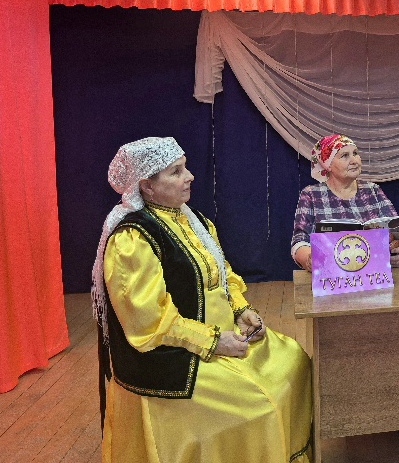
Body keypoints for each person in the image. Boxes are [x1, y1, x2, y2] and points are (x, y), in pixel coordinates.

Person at [92, 137, 312, 463]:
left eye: (186, 167)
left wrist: (241, 309)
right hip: (170, 354)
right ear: (147, 186)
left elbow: (223, 275)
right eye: (176, 172)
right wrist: (213, 342)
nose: (190, 176)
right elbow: (148, 322)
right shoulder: (132, 238)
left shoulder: (195, 220)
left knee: (294, 359)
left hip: (221, 333)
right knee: (261, 402)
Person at [291, 134, 399, 271]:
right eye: (345, 156)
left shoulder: (373, 190)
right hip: (330, 276)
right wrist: (309, 259)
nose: (354, 160)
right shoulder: (311, 195)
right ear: (328, 165)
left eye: (355, 153)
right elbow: (299, 241)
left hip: (373, 275)